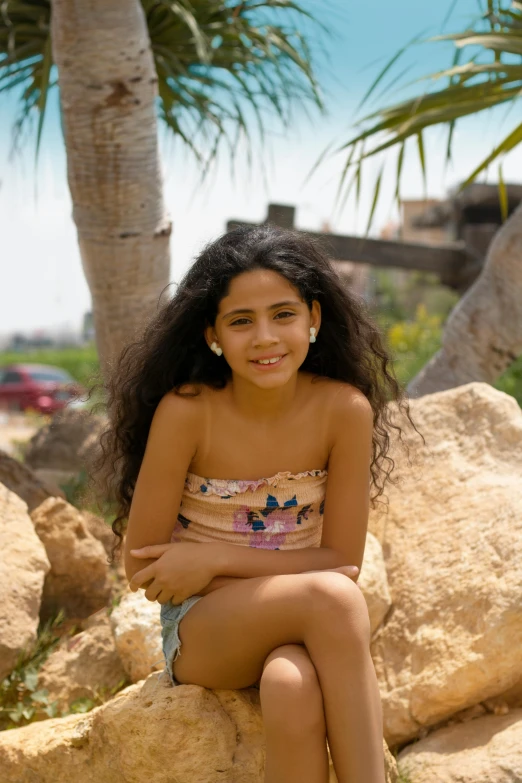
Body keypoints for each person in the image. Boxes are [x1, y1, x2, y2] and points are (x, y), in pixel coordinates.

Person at [88, 224, 418, 783]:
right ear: (212, 335)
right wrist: (220, 578)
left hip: (298, 618)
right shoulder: (189, 411)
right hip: (205, 630)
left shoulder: (344, 411)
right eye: (241, 321)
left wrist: (213, 560)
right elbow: (143, 565)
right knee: (334, 600)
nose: (265, 337)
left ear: (314, 319)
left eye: (283, 314)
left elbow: (343, 557)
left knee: (292, 684)